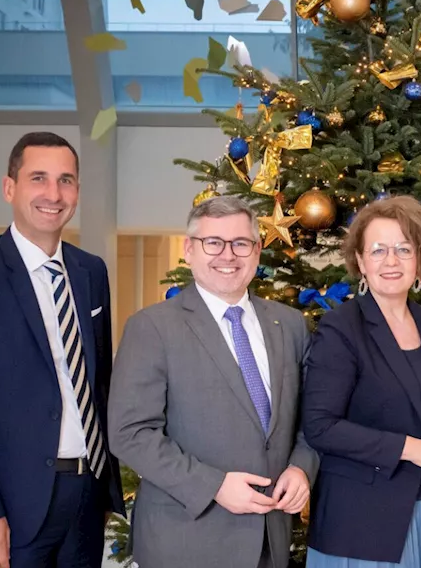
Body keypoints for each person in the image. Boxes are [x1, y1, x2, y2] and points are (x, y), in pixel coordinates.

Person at [0, 131, 125, 568]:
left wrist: (106, 483)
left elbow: (100, 380)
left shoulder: (90, 271)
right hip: (13, 501)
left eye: (66, 180)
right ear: (10, 188)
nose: (53, 194)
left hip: (87, 493)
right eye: (39, 178)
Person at [108, 196, 318, 568]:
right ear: (189, 249)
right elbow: (130, 433)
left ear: (256, 251)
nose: (228, 255)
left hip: (271, 537)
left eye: (241, 243)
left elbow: (311, 417)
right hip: (186, 539)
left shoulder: (289, 324)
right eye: (213, 243)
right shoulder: (153, 327)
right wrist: (214, 486)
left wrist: (301, 467)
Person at [302, 196, 421, 568]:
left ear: (419, 259)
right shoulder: (340, 328)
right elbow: (320, 427)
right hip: (360, 527)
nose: (391, 261)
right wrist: (411, 448)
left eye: (403, 249)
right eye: (378, 250)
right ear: (360, 262)